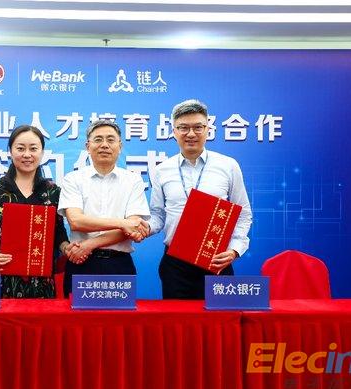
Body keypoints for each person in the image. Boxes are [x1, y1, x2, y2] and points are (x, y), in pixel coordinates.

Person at [148, 99, 253, 299]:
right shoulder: (161, 170)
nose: (191, 134)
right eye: (183, 128)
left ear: (207, 129)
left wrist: (234, 250)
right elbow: (158, 215)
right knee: (177, 318)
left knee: (221, 318)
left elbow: (244, 213)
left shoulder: (228, 166)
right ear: (174, 131)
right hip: (175, 265)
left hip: (216, 259)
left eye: (198, 127)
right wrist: (141, 228)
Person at [0, 125, 74, 298]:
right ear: (10, 151)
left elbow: (58, 232)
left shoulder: (53, 191)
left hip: (41, 280)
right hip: (1, 272)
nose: (27, 154)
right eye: (20, 148)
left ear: (42, 153)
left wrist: (68, 248)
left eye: (33, 149)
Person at [58, 119, 150, 296]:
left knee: (120, 314)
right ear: (88, 146)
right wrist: (122, 223)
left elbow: (134, 227)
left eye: (110, 139)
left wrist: (89, 245)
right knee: (75, 314)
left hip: (118, 264)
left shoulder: (133, 180)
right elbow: (76, 221)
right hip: (81, 264)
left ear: (120, 146)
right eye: (98, 139)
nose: (104, 145)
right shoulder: (73, 179)